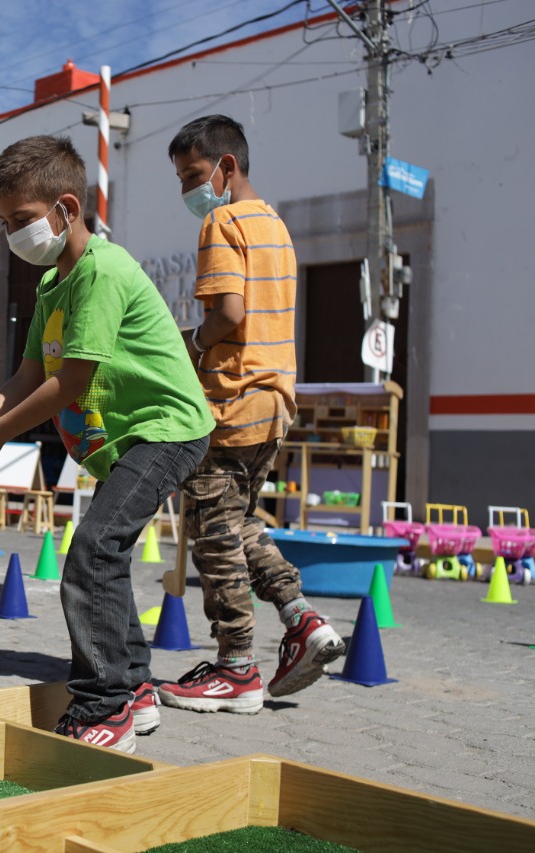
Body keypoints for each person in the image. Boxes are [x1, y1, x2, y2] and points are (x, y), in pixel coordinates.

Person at [0, 136, 213, 753]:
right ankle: (132, 691)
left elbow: (71, 381)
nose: (13, 234)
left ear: (65, 208)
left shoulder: (103, 271)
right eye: (5, 224)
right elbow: (26, 377)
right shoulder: (52, 287)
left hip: (168, 426)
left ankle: (102, 707)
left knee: (91, 553)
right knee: (103, 555)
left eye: (22, 220)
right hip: (125, 440)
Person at [158, 115, 345, 715]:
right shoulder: (277, 228)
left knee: (211, 532)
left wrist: (187, 344)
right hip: (275, 402)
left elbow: (229, 315)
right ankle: (301, 619)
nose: (189, 190)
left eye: (193, 175)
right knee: (234, 522)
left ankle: (236, 666)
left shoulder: (224, 219)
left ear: (226, 167)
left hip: (230, 400)